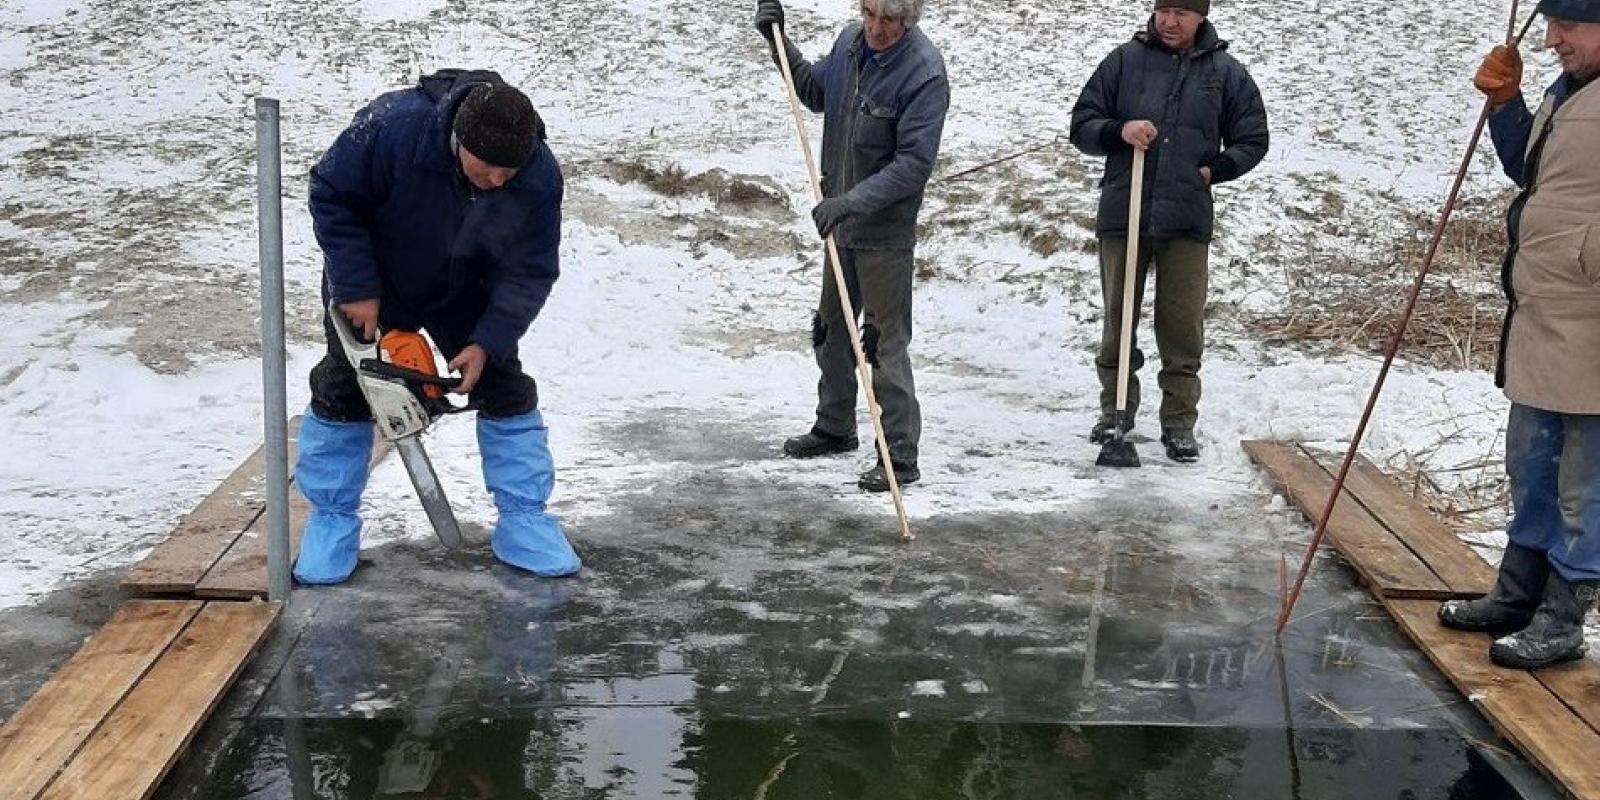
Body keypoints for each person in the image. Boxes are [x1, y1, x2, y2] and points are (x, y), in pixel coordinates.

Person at [294, 69, 581, 584]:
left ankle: (524, 521)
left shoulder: (537, 174)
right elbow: (333, 194)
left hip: (469, 287)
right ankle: (331, 522)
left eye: (507, 172)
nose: (497, 180)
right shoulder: (391, 130)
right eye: (487, 167)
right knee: (344, 386)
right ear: (459, 142)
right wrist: (356, 286)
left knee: (504, 385)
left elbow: (530, 268)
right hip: (376, 280)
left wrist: (488, 340)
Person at [1437, 0, 1600, 670]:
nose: (1552, 36)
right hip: (1540, 313)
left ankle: (1564, 616)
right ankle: (1517, 593)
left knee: (1585, 481)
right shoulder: (1567, 95)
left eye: (1570, 23)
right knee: (1530, 464)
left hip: (1593, 321)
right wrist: (1508, 105)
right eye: (1549, 21)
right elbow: (1534, 178)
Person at [753, 0, 950, 492]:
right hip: (840, 225)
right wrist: (778, 43)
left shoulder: (924, 73)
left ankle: (899, 452)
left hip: (883, 233)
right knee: (832, 329)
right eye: (869, 14)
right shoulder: (848, 44)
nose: (875, 28)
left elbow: (912, 165)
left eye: (888, 20)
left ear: (909, 20)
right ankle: (835, 425)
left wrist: (850, 202)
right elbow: (817, 92)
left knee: (882, 343)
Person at [1068, 0, 1268, 463]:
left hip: (1186, 219)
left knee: (1181, 328)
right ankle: (1115, 410)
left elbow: (1254, 136)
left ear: (1200, 17)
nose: (1169, 21)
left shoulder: (1224, 71)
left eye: (1181, 12)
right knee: (1119, 319)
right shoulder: (1124, 61)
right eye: (1163, 10)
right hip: (1125, 210)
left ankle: (1179, 422)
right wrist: (1120, 130)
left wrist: (1215, 170)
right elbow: (1082, 124)